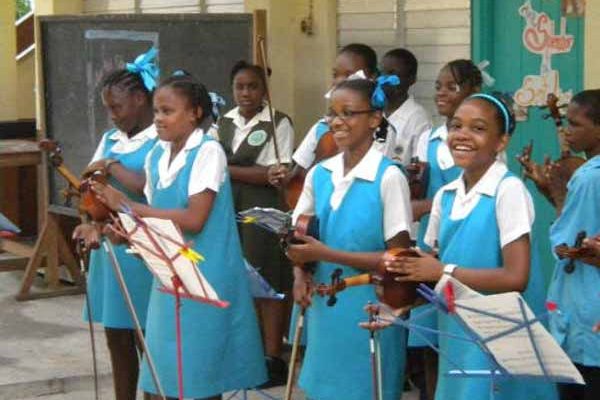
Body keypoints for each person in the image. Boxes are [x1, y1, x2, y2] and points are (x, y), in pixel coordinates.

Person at [93, 73, 267, 399]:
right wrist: (126, 232)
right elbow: (154, 215)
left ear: (194, 113)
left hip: (206, 275)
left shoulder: (207, 151)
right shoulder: (157, 154)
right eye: (157, 111)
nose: (159, 118)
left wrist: (128, 206)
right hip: (168, 274)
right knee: (162, 377)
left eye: (168, 111)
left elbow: (193, 219)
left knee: (199, 378)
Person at [389, 93, 557, 400]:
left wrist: (443, 271)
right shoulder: (446, 197)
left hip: (504, 337)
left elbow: (515, 277)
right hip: (459, 335)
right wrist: (396, 305)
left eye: (478, 128)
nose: (462, 135)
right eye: (456, 126)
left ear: (501, 141)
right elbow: (430, 275)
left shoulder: (508, 191)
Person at [286, 78, 413, 400]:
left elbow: (399, 260)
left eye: (349, 113)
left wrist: (327, 254)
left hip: (370, 308)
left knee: (364, 389)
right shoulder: (319, 173)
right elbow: (299, 237)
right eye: (332, 113)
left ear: (375, 119)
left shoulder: (389, 177)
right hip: (324, 306)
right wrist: (299, 273)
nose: (337, 121)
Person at [72, 48, 159, 400]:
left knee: (147, 339)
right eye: (108, 108)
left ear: (140, 99)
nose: (112, 116)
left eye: (117, 107)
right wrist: (89, 222)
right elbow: (90, 189)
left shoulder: (158, 140)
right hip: (109, 249)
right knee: (116, 338)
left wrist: (110, 166)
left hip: (142, 250)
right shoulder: (110, 140)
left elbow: (148, 187)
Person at [216, 60, 294, 386]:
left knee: (266, 278)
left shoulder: (278, 122)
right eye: (240, 86)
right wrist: (251, 172)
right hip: (229, 206)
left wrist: (228, 169)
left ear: (264, 90)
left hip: (262, 210)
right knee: (238, 278)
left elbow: (275, 174)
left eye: (253, 86)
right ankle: (249, 353)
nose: (246, 93)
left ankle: (273, 357)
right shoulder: (224, 122)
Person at [407, 59, 482, 400]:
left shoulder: (481, 142)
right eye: (438, 86)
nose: (442, 93)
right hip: (432, 238)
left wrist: (423, 205)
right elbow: (421, 185)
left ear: (473, 91)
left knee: (458, 331)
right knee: (429, 333)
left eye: (453, 86)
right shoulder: (430, 137)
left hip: (464, 237)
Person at [268, 43, 397, 189]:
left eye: (348, 74)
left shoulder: (382, 130)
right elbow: (297, 176)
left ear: (371, 77)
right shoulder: (321, 126)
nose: (339, 81)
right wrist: (281, 177)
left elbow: (370, 180)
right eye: (335, 75)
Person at [544, 89, 600, 400]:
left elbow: (565, 244)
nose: (568, 131)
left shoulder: (588, 177)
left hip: (585, 309)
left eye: (576, 124)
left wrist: (557, 195)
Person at [380, 48, 431, 166]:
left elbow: (419, 167)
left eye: (393, 74)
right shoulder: (373, 111)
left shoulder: (419, 119)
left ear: (411, 79)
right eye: (383, 73)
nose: (386, 79)